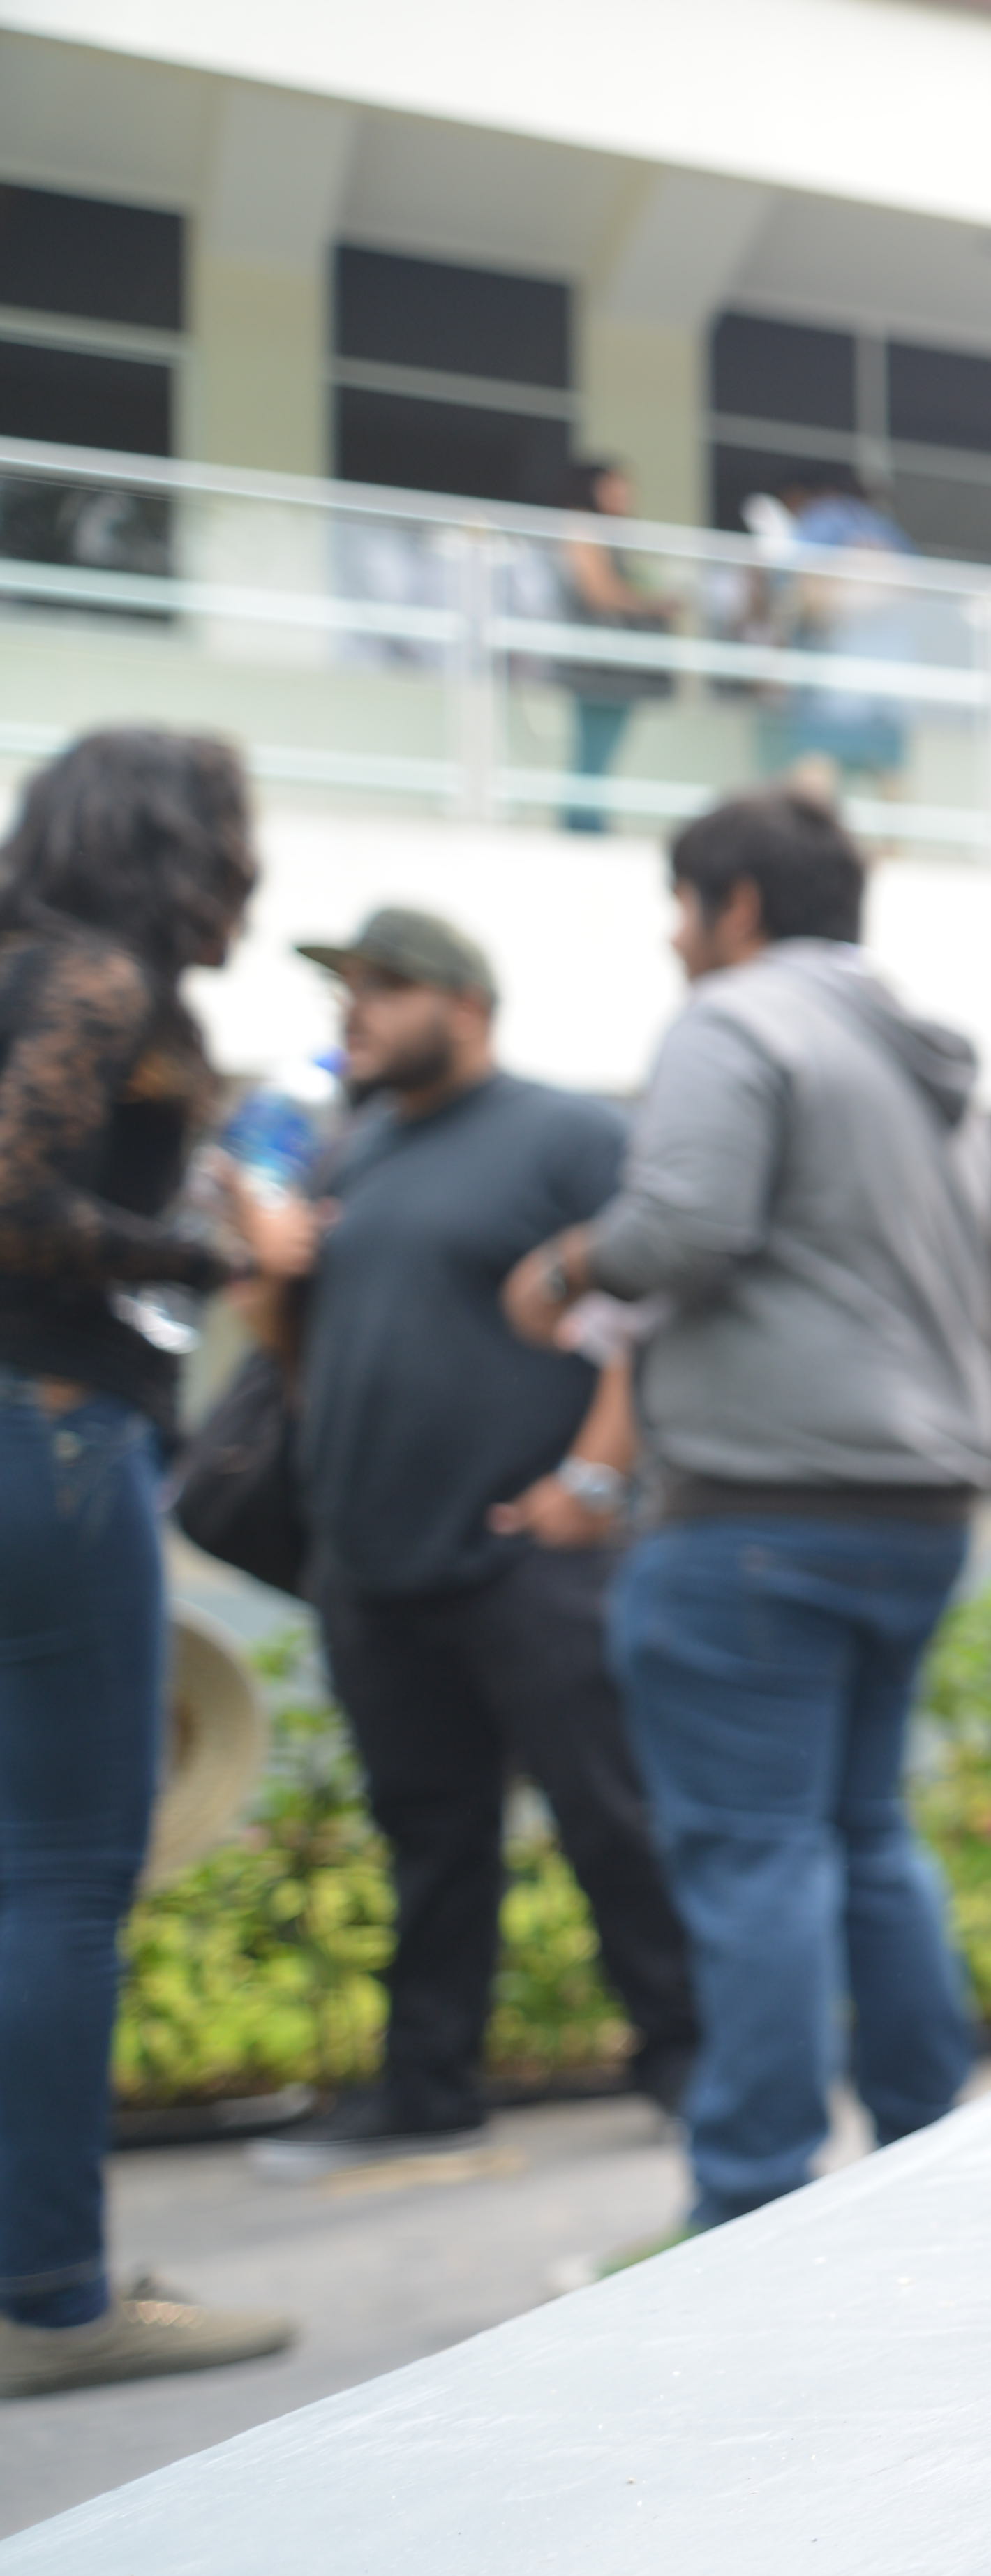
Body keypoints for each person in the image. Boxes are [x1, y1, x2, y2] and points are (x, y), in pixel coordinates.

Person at [501, 789, 991, 2242]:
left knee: (755, 1853)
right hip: (918, 1501)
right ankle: (929, 2169)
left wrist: (560, 1267)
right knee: (863, 1831)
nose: (674, 939)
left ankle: (749, 2206)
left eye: (681, 906)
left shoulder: (735, 1020)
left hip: (759, 1512)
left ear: (735, 905)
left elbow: (687, 1223)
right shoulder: (929, 1068)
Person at [239, 909, 700, 2173]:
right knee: (427, 1836)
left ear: (466, 1006)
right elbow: (302, 1349)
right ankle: (427, 2086)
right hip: (370, 1556)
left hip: (526, 1554)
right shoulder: (351, 1151)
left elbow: (652, 1308)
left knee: (610, 1815)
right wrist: (266, 1278)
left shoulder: (566, 1133)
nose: (355, 1011)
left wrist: (595, 1479)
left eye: (384, 986)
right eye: (345, 989)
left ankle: (697, 2067)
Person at [0, 727, 301, 2395]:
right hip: (47, 1431)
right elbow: (10, 1195)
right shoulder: (93, 974)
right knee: (63, 1872)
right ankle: (49, 2298)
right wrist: (199, 1256)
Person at [768, 467, 919, 803]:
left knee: (816, 770)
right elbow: (917, 592)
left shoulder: (824, 519)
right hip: (891, 679)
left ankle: (810, 835)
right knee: (890, 773)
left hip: (835, 677)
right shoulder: (887, 531)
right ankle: (896, 837)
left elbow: (797, 584)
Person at [552, 458, 676, 835]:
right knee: (594, 747)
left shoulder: (612, 533)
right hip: (596, 663)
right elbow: (599, 593)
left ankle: (589, 821)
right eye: (614, 486)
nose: (625, 495)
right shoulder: (581, 526)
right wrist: (650, 605)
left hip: (617, 665)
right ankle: (584, 825)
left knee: (603, 748)